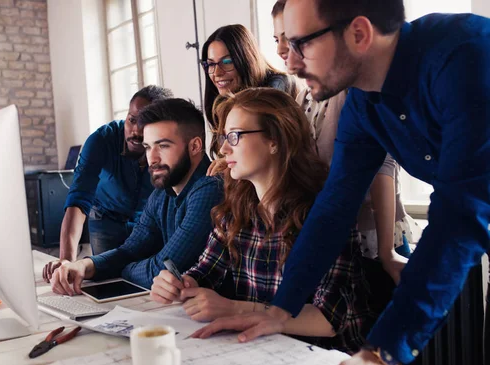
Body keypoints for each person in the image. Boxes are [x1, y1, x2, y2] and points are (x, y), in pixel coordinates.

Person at [195, 1, 490, 365]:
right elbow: (333, 208)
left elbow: (459, 214)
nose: (290, 62)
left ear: (359, 34)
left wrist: (382, 351)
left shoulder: (465, 59)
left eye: (302, 43)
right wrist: (281, 308)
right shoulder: (364, 103)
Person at [150, 88, 375, 354]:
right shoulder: (233, 212)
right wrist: (179, 285)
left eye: (234, 136)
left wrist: (233, 308)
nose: (223, 149)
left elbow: (328, 319)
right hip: (260, 350)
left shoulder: (324, 213)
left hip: (325, 355)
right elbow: (205, 272)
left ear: (274, 141)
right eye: (224, 137)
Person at [271, 0, 415, 291]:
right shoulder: (303, 98)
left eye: (289, 37)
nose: (281, 49)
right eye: (277, 39)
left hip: (376, 235)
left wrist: (387, 251)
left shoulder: (351, 87)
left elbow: (382, 168)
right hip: (341, 234)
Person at [49, 98, 224, 293]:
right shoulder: (162, 193)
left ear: (194, 146)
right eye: (148, 147)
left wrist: (120, 269)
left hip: (220, 312)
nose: (152, 158)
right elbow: (130, 250)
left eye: (163, 146)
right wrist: (83, 266)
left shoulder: (210, 189)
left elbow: (160, 270)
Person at [42, 86, 173, 283]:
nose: (136, 130)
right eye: (132, 119)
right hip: (105, 219)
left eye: (146, 123)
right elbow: (78, 200)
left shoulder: (168, 149)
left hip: (146, 224)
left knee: (145, 280)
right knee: (104, 280)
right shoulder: (101, 140)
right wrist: (67, 260)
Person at [201, 24, 299, 157]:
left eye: (228, 61)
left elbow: (270, 152)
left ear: (246, 60)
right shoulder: (221, 101)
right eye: (211, 64)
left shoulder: (279, 85)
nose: (217, 73)